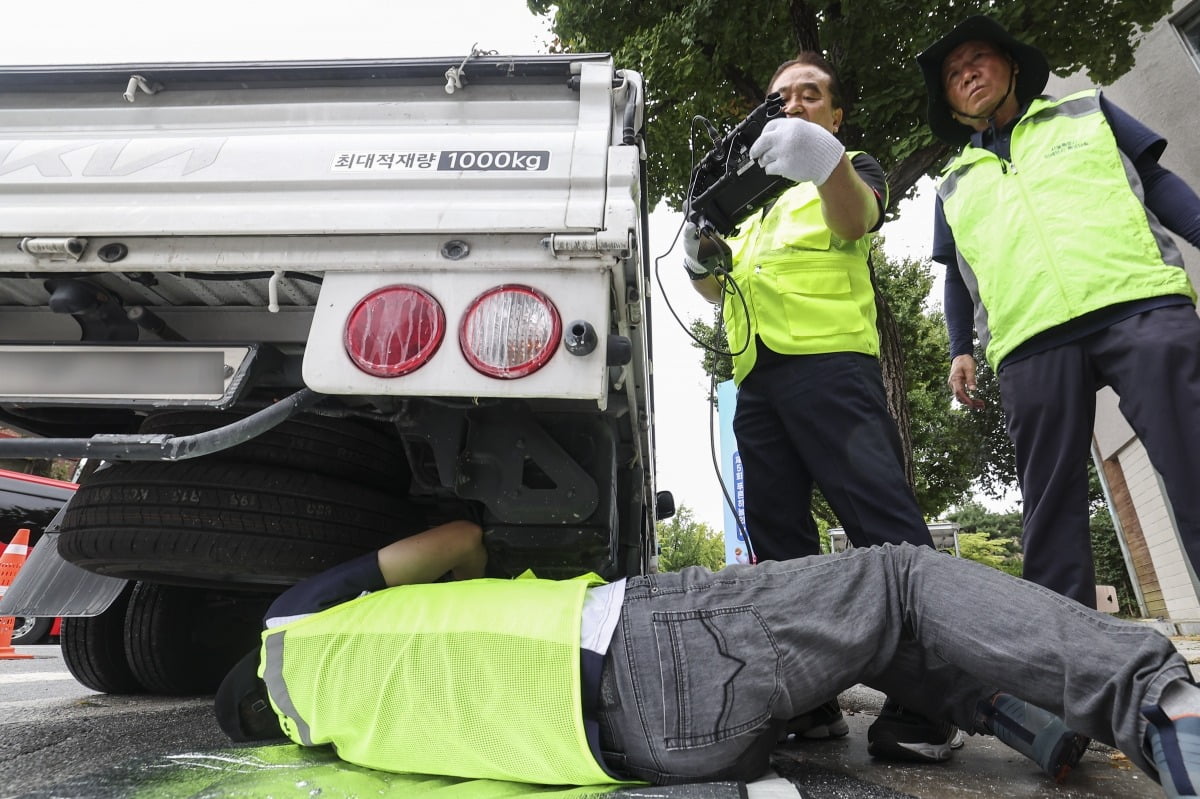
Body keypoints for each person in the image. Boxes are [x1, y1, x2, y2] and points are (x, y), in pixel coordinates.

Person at [217, 521, 1200, 798]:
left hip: (668, 747)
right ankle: (1159, 704)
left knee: (860, 627)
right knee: (895, 581)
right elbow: (455, 538)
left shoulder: (332, 739)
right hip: (654, 644)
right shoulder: (288, 627)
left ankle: (1032, 718)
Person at [683, 51, 954, 760]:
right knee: (780, 544)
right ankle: (811, 698)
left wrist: (825, 159)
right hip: (758, 379)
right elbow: (721, 290)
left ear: (834, 116)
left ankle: (932, 702)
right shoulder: (749, 201)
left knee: (884, 526)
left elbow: (857, 216)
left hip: (831, 368)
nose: (794, 105)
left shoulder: (848, 163)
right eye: (782, 99)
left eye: (810, 96)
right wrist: (702, 263)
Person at [917, 16, 1200, 609]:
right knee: (1049, 511)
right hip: (1029, 338)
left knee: (1194, 461)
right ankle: (1067, 672)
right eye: (952, 73)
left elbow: (1154, 179)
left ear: (1012, 64)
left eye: (977, 58)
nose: (967, 73)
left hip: (1137, 300)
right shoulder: (952, 182)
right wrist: (960, 348)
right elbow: (955, 274)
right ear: (948, 99)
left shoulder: (1087, 110)